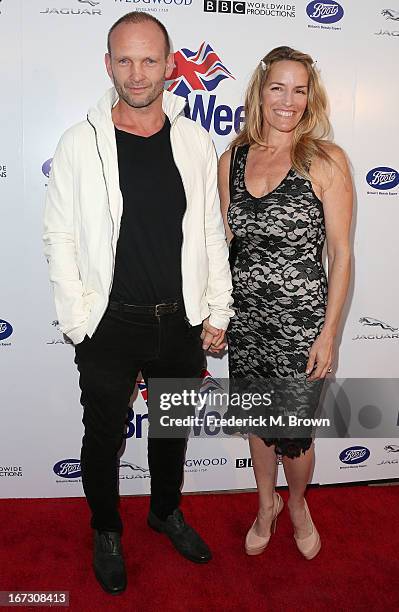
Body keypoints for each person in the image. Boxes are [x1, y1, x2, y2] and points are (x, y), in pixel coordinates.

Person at [43, 12, 233, 594]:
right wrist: (80, 321)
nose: (137, 72)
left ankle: (164, 510)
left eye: (149, 59)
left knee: (171, 429)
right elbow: (61, 236)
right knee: (103, 435)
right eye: (124, 59)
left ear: (170, 67)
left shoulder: (195, 141)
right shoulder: (80, 142)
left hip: (179, 322)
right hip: (109, 324)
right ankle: (106, 528)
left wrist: (217, 309)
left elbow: (207, 229)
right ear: (107, 65)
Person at [218, 46, 352, 560]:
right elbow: (222, 242)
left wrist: (329, 333)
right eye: (278, 87)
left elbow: (340, 254)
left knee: (294, 436)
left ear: (310, 97)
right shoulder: (231, 159)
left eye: (299, 90)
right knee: (258, 422)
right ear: (260, 90)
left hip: (302, 327)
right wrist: (217, 312)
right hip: (248, 322)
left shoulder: (325, 160)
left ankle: (296, 504)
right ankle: (264, 503)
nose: (288, 100)